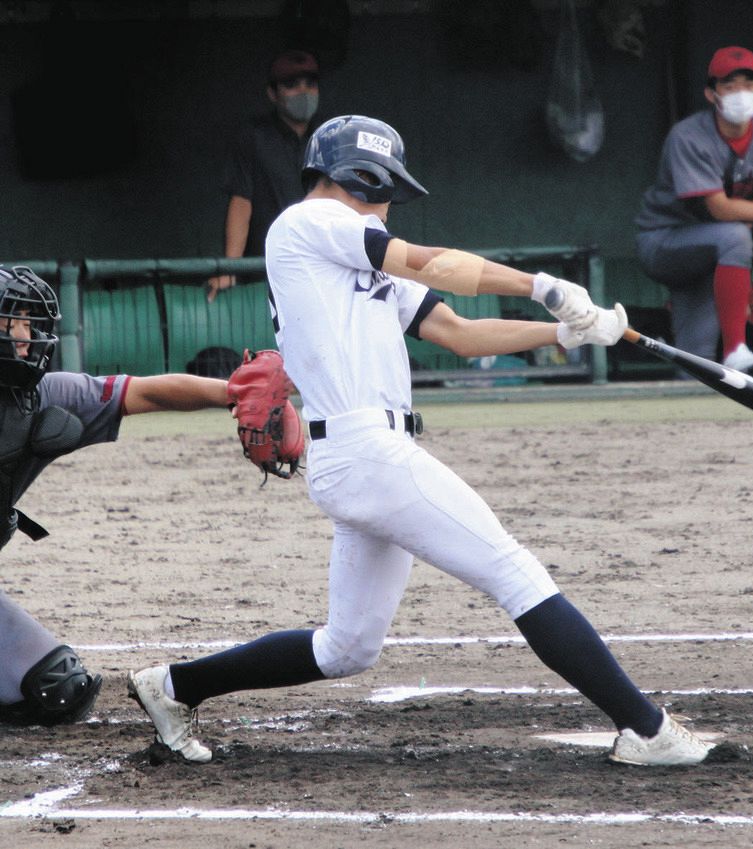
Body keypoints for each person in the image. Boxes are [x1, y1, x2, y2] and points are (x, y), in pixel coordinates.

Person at [127, 115, 714, 768]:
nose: (387, 207)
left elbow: (459, 332)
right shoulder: (307, 224)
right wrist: (540, 285)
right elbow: (440, 264)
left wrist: (566, 333)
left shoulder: (358, 255)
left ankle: (173, 685)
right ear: (361, 175)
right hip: (366, 450)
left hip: (366, 458)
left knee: (345, 648)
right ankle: (646, 727)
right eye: (385, 191)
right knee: (515, 573)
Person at [0, 266, 231, 728]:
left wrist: (237, 393)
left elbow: (145, 392)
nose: (26, 333)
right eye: (12, 321)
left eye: (28, 319)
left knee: (57, 690)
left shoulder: (45, 395)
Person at [635, 46, 753, 374]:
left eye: (748, 84)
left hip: (715, 253)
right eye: (729, 85)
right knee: (734, 235)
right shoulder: (688, 135)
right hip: (664, 240)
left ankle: (686, 420)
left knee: (694, 361)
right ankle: (736, 348)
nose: (741, 93)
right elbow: (722, 210)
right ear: (711, 94)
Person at [207, 49, 324, 303]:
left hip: (321, 274)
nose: (303, 91)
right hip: (266, 276)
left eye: (310, 84)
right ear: (273, 93)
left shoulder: (328, 136)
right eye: (291, 84)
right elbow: (241, 202)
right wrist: (230, 270)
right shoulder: (253, 137)